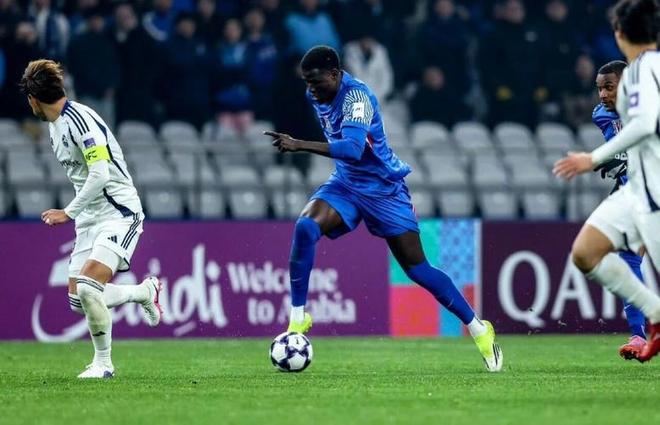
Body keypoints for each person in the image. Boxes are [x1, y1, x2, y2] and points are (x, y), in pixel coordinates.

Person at [265, 46, 503, 372]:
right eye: (307, 83)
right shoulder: (317, 93)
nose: (311, 90)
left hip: (384, 189)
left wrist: (299, 144)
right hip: (346, 184)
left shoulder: (357, 98)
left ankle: (478, 328)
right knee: (306, 226)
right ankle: (297, 319)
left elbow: (352, 149)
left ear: (335, 74)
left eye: (316, 82)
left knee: (417, 269)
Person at [19, 60, 162, 378]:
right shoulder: (55, 125)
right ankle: (143, 292)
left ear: (33, 99)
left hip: (118, 213)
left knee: (87, 288)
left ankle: (103, 364)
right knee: (78, 300)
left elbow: (99, 174)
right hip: (89, 219)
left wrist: (67, 212)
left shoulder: (80, 120)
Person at [554, 0, 660, 362]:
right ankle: (647, 324)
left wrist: (595, 158)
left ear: (619, 33)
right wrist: (618, 159)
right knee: (587, 253)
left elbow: (643, 125)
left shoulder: (643, 72)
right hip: (636, 187)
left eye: (608, 87)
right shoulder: (608, 108)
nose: (603, 94)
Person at [592, 59, 648, 359]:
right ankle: (638, 336)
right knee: (628, 260)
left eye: (609, 87)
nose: (603, 94)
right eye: (600, 88)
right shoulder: (602, 116)